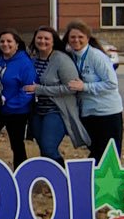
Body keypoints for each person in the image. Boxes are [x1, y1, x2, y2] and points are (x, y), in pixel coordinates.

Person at [25, 27, 89, 165]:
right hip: (37, 111)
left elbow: (71, 88)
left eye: (46, 38)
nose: (42, 41)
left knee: (49, 148)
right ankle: (49, 176)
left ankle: (62, 174)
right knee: (43, 148)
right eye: (39, 38)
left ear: (53, 41)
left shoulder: (61, 60)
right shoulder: (33, 60)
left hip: (56, 111)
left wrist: (40, 90)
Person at [63, 20, 124, 162]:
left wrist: (85, 87)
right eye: (72, 37)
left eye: (80, 37)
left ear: (88, 38)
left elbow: (111, 83)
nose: (76, 40)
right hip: (88, 113)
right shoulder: (72, 56)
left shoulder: (96, 56)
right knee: (96, 150)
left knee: (108, 155)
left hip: (107, 112)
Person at [0, 29, 36, 168]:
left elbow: (27, 90)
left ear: (17, 44)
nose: (5, 44)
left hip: (17, 111)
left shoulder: (25, 63)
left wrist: (9, 104)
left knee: (16, 144)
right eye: (2, 41)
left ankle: (21, 173)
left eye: (9, 41)